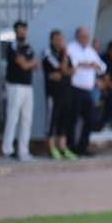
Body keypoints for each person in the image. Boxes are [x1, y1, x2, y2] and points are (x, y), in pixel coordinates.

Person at [2, 20, 39, 161]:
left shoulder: (28, 46)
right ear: (15, 31)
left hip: (28, 86)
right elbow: (23, 65)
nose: (22, 31)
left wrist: (28, 63)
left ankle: (23, 151)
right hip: (15, 86)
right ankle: (7, 149)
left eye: (24, 29)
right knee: (13, 117)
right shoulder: (12, 46)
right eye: (20, 29)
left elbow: (36, 65)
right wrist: (28, 63)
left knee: (27, 119)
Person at [66, 27, 106, 156]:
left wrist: (91, 65)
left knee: (91, 119)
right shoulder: (71, 47)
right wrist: (91, 65)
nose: (85, 39)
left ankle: (82, 147)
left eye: (86, 36)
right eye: (82, 36)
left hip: (87, 90)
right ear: (77, 36)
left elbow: (102, 67)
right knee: (71, 120)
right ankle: (71, 148)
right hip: (74, 89)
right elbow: (75, 64)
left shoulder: (90, 50)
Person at [42, 29, 76, 160]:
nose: (60, 42)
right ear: (51, 40)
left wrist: (63, 70)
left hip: (66, 92)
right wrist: (64, 69)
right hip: (53, 94)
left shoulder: (65, 55)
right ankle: (51, 148)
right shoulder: (48, 53)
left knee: (64, 120)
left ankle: (63, 148)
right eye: (57, 39)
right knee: (52, 121)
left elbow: (70, 71)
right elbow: (62, 69)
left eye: (61, 39)